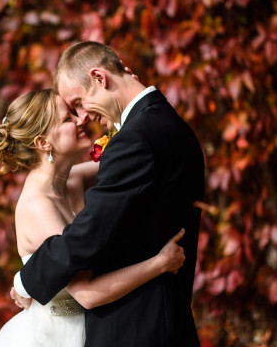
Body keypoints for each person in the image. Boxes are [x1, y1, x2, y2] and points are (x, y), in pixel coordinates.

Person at [14, 42, 205, 346]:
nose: (83, 117)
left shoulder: (136, 140)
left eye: (78, 103)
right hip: (162, 321)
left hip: (138, 329)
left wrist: (26, 280)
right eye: (70, 113)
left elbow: (87, 235)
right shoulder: (168, 124)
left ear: (99, 78)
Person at [0, 88, 187, 346]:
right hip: (58, 337)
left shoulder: (73, 179)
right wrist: (160, 263)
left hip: (100, 325)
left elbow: (134, 157)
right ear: (43, 143)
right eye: (67, 118)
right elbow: (88, 294)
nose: (81, 120)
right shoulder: (37, 207)